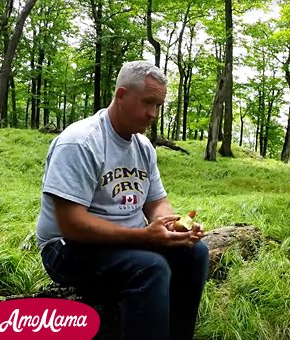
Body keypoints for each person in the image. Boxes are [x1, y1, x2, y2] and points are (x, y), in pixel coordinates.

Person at [35, 61, 209, 340]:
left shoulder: (143, 147)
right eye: (148, 103)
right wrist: (144, 238)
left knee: (195, 253)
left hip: (124, 241)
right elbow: (71, 225)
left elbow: (156, 203)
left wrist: (173, 225)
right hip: (67, 249)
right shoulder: (80, 142)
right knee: (151, 268)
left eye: (158, 106)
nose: (153, 114)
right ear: (121, 95)